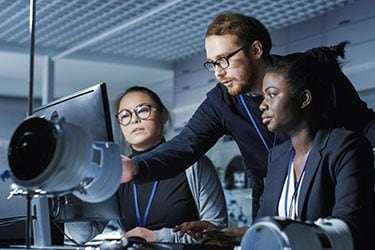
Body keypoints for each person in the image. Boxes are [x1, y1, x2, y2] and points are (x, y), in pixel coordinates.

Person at [178, 45, 375, 249]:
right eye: (263, 96)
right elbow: (267, 225)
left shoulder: (346, 147)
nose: (263, 105)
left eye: (272, 94)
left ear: (304, 98)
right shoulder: (278, 157)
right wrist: (233, 236)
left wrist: (270, 233)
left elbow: (350, 228)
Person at [121, 12, 289, 219]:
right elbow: (185, 144)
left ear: (255, 50)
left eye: (223, 60)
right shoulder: (222, 100)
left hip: (322, 198)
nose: (218, 72)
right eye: (212, 64)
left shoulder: (305, 76)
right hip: (269, 206)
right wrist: (136, 167)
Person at [66, 86, 227, 244]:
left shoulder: (194, 165)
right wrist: (68, 186)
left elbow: (217, 230)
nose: (134, 119)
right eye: (125, 116)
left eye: (143, 110)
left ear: (163, 116)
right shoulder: (117, 172)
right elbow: (82, 235)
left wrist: (158, 237)